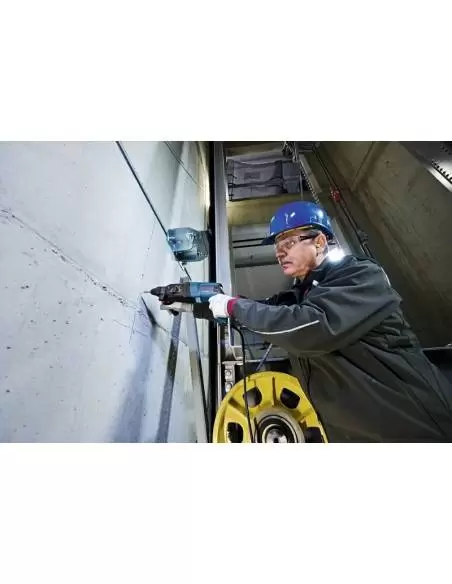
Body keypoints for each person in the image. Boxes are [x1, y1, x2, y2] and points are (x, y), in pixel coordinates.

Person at [208, 201, 452, 442]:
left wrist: (234, 307)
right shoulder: (303, 294)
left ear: (320, 242)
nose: (279, 252)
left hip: (415, 425)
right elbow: (272, 310)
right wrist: (219, 303)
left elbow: (310, 326)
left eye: (289, 243)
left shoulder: (360, 276)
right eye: (277, 245)